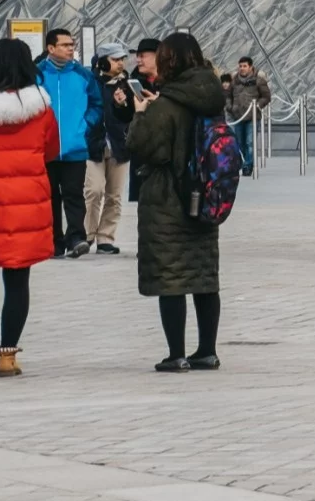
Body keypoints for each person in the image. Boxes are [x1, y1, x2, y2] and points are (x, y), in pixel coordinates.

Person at [127, 31, 225, 370]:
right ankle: (207, 351)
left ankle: (176, 354)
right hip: (206, 195)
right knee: (203, 276)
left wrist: (140, 113)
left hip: (167, 198)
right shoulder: (212, 100)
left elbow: (144, 148)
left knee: (172, 278)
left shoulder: (166, 103)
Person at [0, 37, 59, 377]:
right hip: (24, 205)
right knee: (17, 280)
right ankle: (6, 356)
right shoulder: (41, 110)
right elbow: (50, 151)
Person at [35, 27, 100, 260]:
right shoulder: (37, 75)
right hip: (46, 149)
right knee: (50, 196)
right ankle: (55, 242)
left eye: (72, 44)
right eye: (65, 45)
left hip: (75, 147)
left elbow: (96, 104)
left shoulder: (84, 75)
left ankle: (76, 238)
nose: (71, 48)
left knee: (74, 195)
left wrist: (85, 126)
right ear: (50, 48)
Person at [88, 47, 134, 256]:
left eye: (122, 59)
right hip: (93, 143)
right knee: (93, 190)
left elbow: (132, 113)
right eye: (115, 59)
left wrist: (123, 103)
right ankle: (87, 234)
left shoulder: (128, 84)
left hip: (119, 144)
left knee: (114, 195)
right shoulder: (89, 83)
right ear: (103, 62)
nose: (121, 63)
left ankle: (105, 238)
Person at [225, 55, 271, 177]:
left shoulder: (259, 80)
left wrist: (258, 106)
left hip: (252, 116)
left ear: (250, 67)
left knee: (250, 142)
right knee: (240, 142)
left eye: (244, 66)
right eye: (240, 66)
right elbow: (228, 96)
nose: (242, 68)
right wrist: (230, 107)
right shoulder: (234, 81)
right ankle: (248, 163)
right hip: (238, 116)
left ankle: (247, 165)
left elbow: (266, 97)